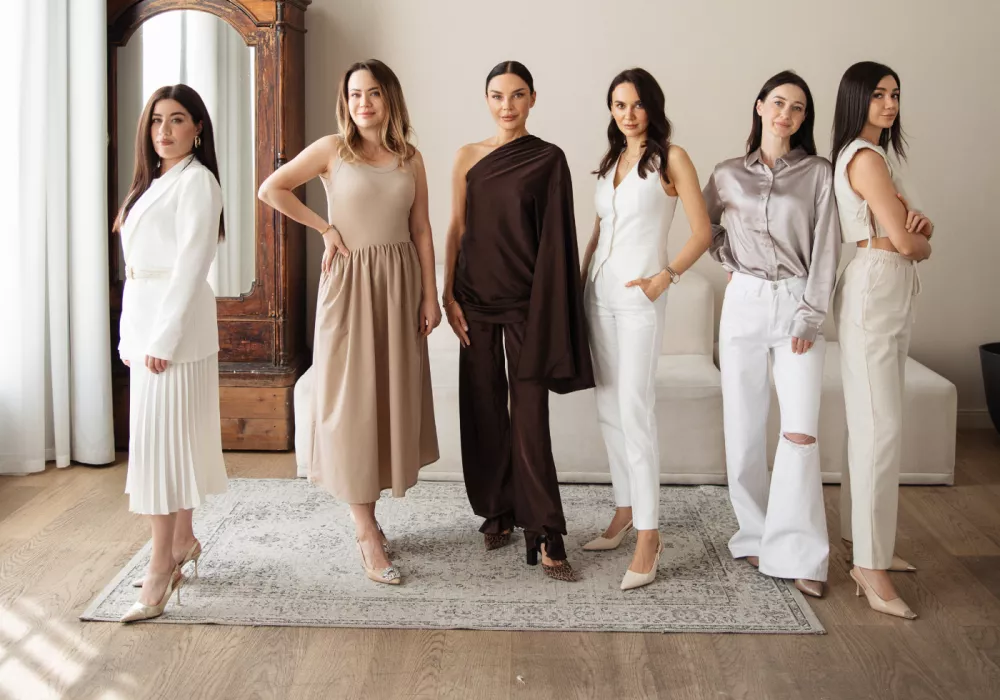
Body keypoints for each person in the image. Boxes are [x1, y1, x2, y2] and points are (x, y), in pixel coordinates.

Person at [258, 59, 440, 586]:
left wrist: (430, 296)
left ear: (390, 99)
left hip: (399, 285)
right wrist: (325, 228)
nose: (363, 102)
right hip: (350, 285)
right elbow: (272, 189)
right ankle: (364, 529)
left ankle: (372, 518)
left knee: (385, 400)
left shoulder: (410, 159)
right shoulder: (332, 150)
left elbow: (422, 231)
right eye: (355, 94)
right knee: (351, 403)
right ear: (346, 102)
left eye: (373, 93)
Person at [442, 61, 594, 581]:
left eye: (517, 94)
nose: (507, 105)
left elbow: (557, 237)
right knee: (483, 406)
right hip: (474, 296)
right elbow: (456, 226)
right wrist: (447, 293)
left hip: (528, 300)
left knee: (529, 416)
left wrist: (553, 303)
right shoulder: (467, 155)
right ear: (486, 99)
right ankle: (498, 509)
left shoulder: (549, 159)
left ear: (532, 99)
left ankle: (546, 529)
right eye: (497, 95)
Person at [704, 70, 841, 599]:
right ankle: (755, 535)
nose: (786, 114)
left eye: (797, 107)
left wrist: (810, 315)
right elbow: (703, 225)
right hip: (743, 303)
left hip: (797, 302)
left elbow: (827, 247)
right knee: (742, 427)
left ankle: (802, 552)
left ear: (805, 118)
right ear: (760, 106)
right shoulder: (727, 173)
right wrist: (729, 259)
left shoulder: (818, 173)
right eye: (778, 103)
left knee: (800, 432)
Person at [578, 68, 714, 590]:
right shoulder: (611, 160)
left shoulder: (671, 158)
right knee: (609, 407)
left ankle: (650, 536)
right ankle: (625, 509)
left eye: (636, 104)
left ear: (652, 107)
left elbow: (702, 231)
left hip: (640, 299)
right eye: (619, 105)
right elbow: (599, 231)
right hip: (598, 296)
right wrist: (579, 283)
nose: (628, 114)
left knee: (635, 410)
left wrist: (665, 277)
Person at [114, 84, 228, 622]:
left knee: (159, 453)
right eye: (157, 120)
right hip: (146, 327)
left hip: (174, 337)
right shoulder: (152, 182)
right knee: (170, 446)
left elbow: (190, 266)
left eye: (177, 119)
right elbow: (137, 271)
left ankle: (161, 565)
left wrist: (161, 339)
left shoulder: (198, 182)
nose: (165, 130)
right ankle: (182, 541)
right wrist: (130, 336)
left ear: (197, 128)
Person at [831, 61, 933, 619]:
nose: (890, 104)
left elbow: (917, 229)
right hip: (875, 286)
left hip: (888, 288)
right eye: (878, 94)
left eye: (895, 93)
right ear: (856, 99)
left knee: (870, 424)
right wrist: (918, 237)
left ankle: (864, 543)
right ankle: (869, 566)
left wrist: (917, 231)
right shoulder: (865, 159)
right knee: (879, 427)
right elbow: (910, 241)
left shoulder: (875, 155)